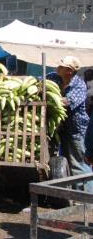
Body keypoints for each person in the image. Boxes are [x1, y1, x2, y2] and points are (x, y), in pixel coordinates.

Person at [46, 56, 92, 192]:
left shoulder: (79, 85)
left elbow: (67, 102)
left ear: (69, 71)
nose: (57, 67)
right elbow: (38, 83)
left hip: (76, 130)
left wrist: (49, 99)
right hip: (61, 129)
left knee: (78, 163)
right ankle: (73, 194)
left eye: (62, 66)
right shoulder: (53, 77)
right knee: (66, 161)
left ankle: (88, 197)